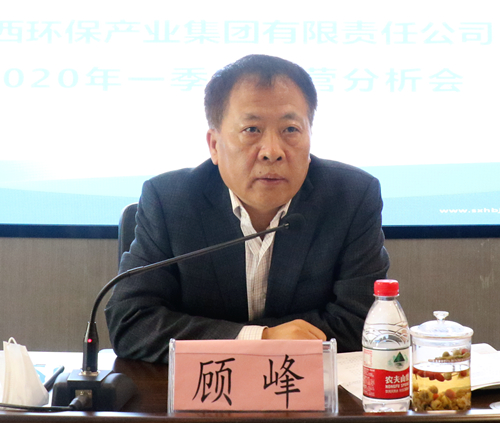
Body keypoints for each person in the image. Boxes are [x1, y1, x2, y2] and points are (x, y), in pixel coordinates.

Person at [105, 54, 390, 363]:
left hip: (307, 388)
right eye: (252, 129)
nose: (272, 151)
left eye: (291, 129)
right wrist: (260, 339)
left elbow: (363, 324)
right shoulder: (170, 201)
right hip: (202, 389)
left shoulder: (350, 197)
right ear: (214, 145)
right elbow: (131, 322)